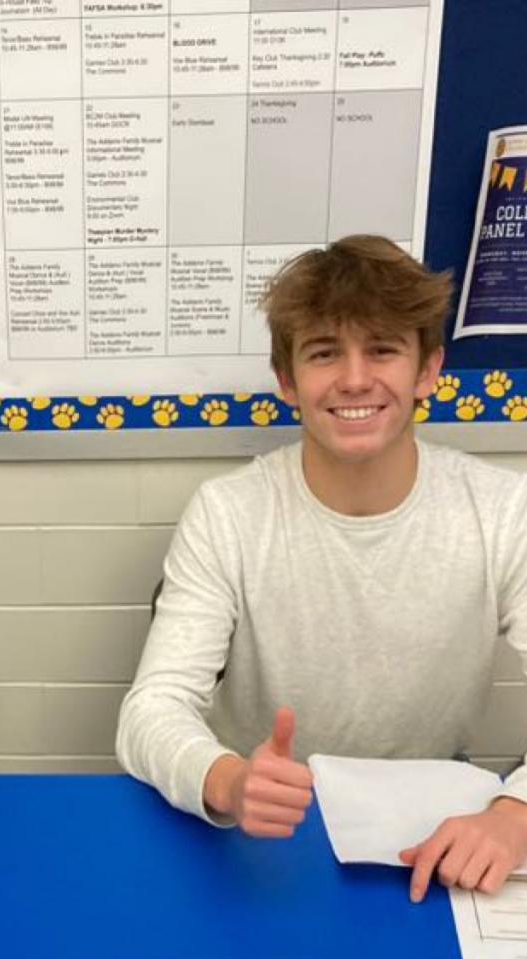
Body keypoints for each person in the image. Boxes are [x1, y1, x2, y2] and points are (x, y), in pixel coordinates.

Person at [116, 235, 527, 902]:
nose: (355, 379)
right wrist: (228, 780)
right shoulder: (228, 513)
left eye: (383, 349)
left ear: (428, 370)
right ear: (287, 381)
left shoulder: (505, 511)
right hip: (265, 832)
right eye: (324, 352)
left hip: (431, 830)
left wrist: (515, 815)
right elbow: (150, 712)